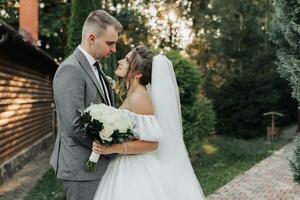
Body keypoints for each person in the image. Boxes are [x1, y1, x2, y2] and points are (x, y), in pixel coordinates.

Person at [92, 46, 206, 200]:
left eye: (126, 60)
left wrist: (113, 148)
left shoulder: (140, 97)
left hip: (136, 171)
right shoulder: (131, 95)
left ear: (138, 74)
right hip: (124, 164)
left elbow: (152, 144)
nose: (120, 61)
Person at [50, 10, 122, 200]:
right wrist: (111, 149)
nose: (114, 49)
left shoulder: (98, 69)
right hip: (81, 170)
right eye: (110, 43)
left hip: (100, 167)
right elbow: (74, 125)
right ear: (92, 38)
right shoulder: (70, 69)